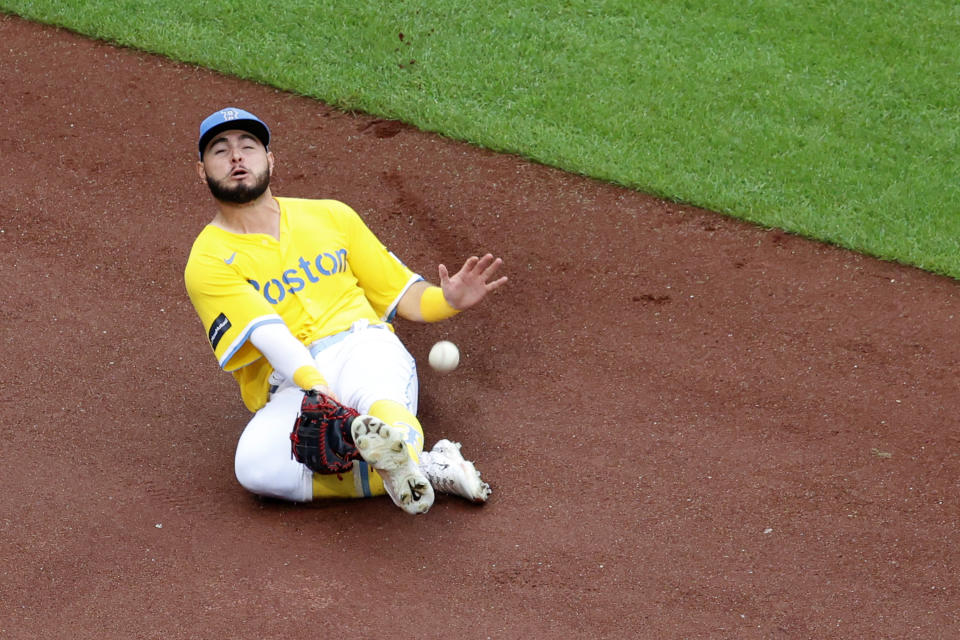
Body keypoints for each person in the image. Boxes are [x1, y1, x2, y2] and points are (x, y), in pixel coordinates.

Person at [184, 107, 507, 515]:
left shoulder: (331, 216)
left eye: (248, 147)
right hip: (293, 383)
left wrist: (449, 301)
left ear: (270, 159)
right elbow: (272, 336)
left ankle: (400, 451)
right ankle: (426, 465)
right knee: (254, 468)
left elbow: (402, 295)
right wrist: (320, 392)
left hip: (361, 346)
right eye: (220, 150)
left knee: (376, 395)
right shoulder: (207, 260)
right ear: (202, 170)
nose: (236, 157)